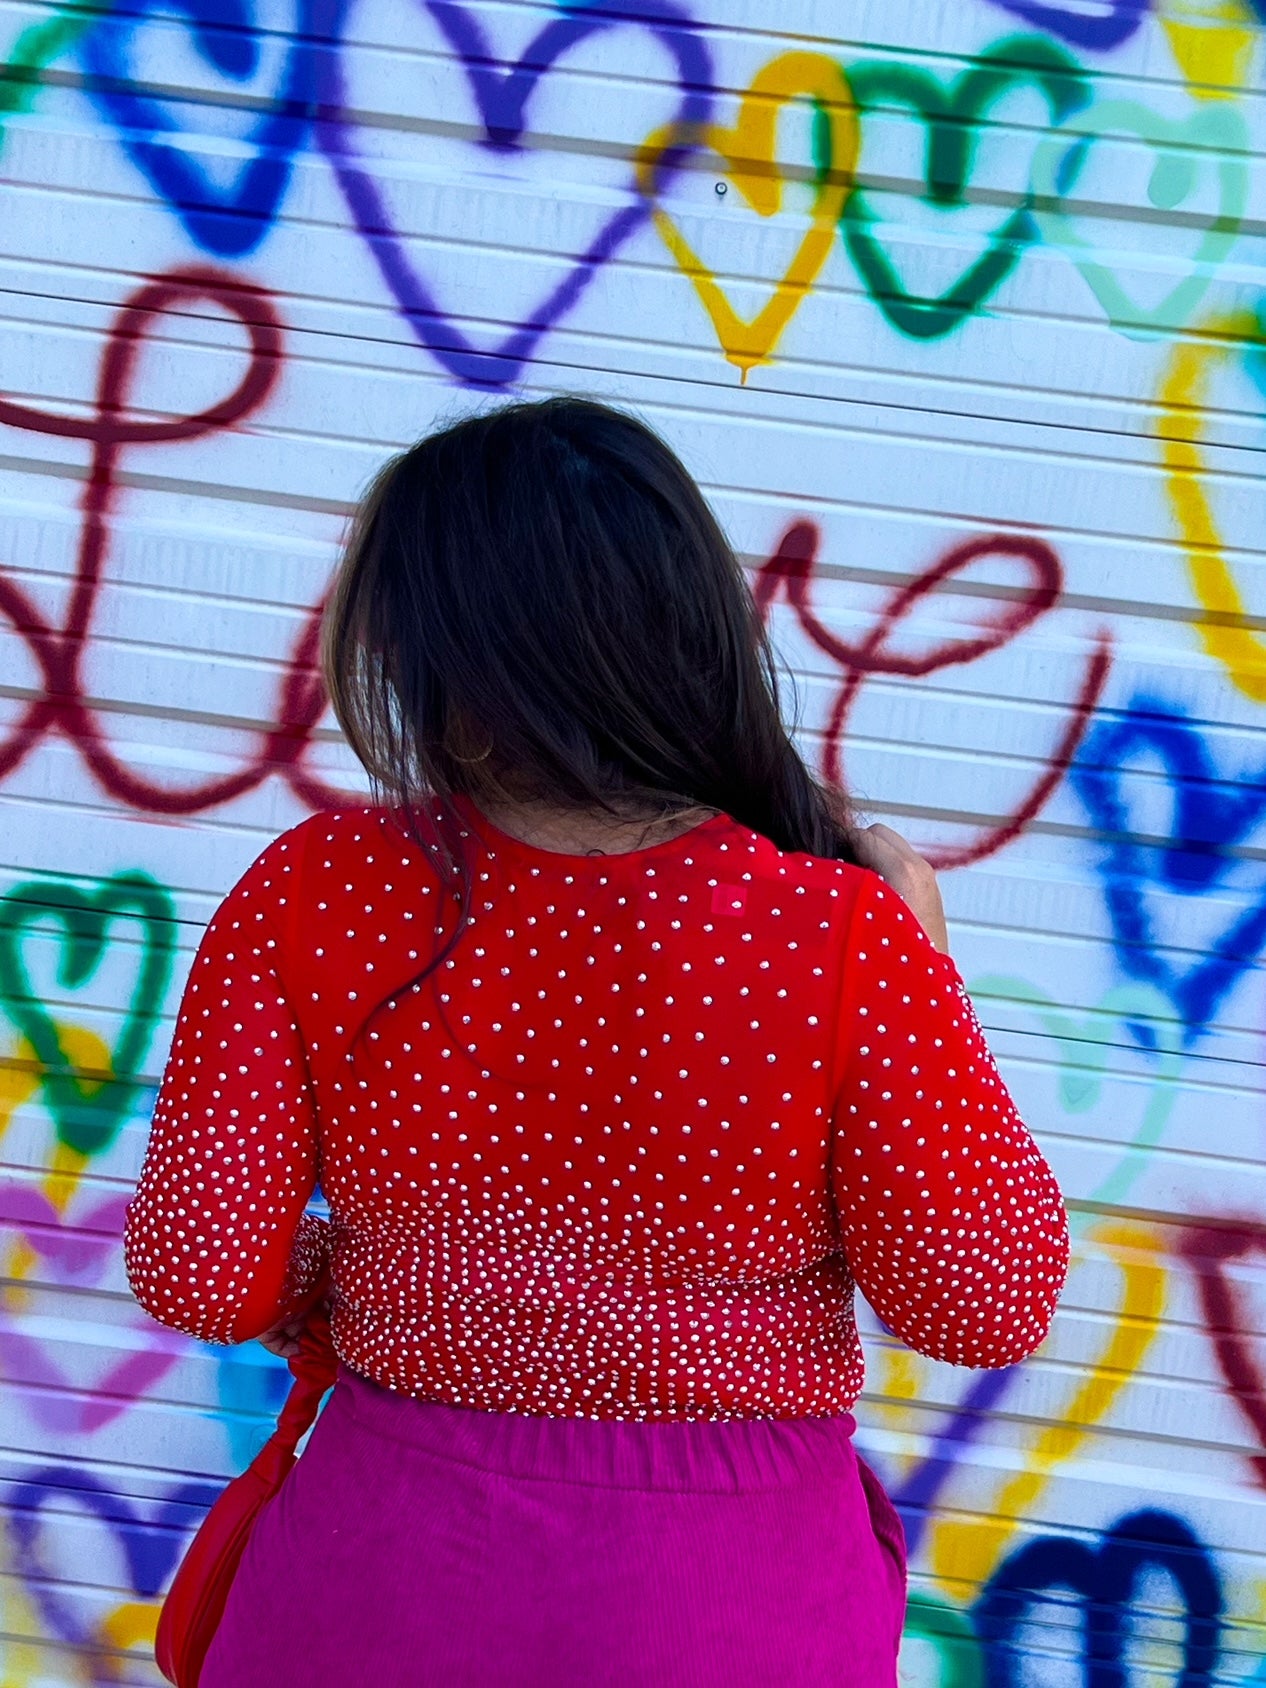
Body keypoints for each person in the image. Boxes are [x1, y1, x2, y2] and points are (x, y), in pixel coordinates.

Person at [124, 397, 1069, 1687]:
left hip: (384, 1573)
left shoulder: (315, 892)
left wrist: (360, 1289)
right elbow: (982, 1301)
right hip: (730, 1606)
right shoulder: (836, 926)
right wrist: (926, 967)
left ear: (418, 651)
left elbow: (198, 1272)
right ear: (695, 629)